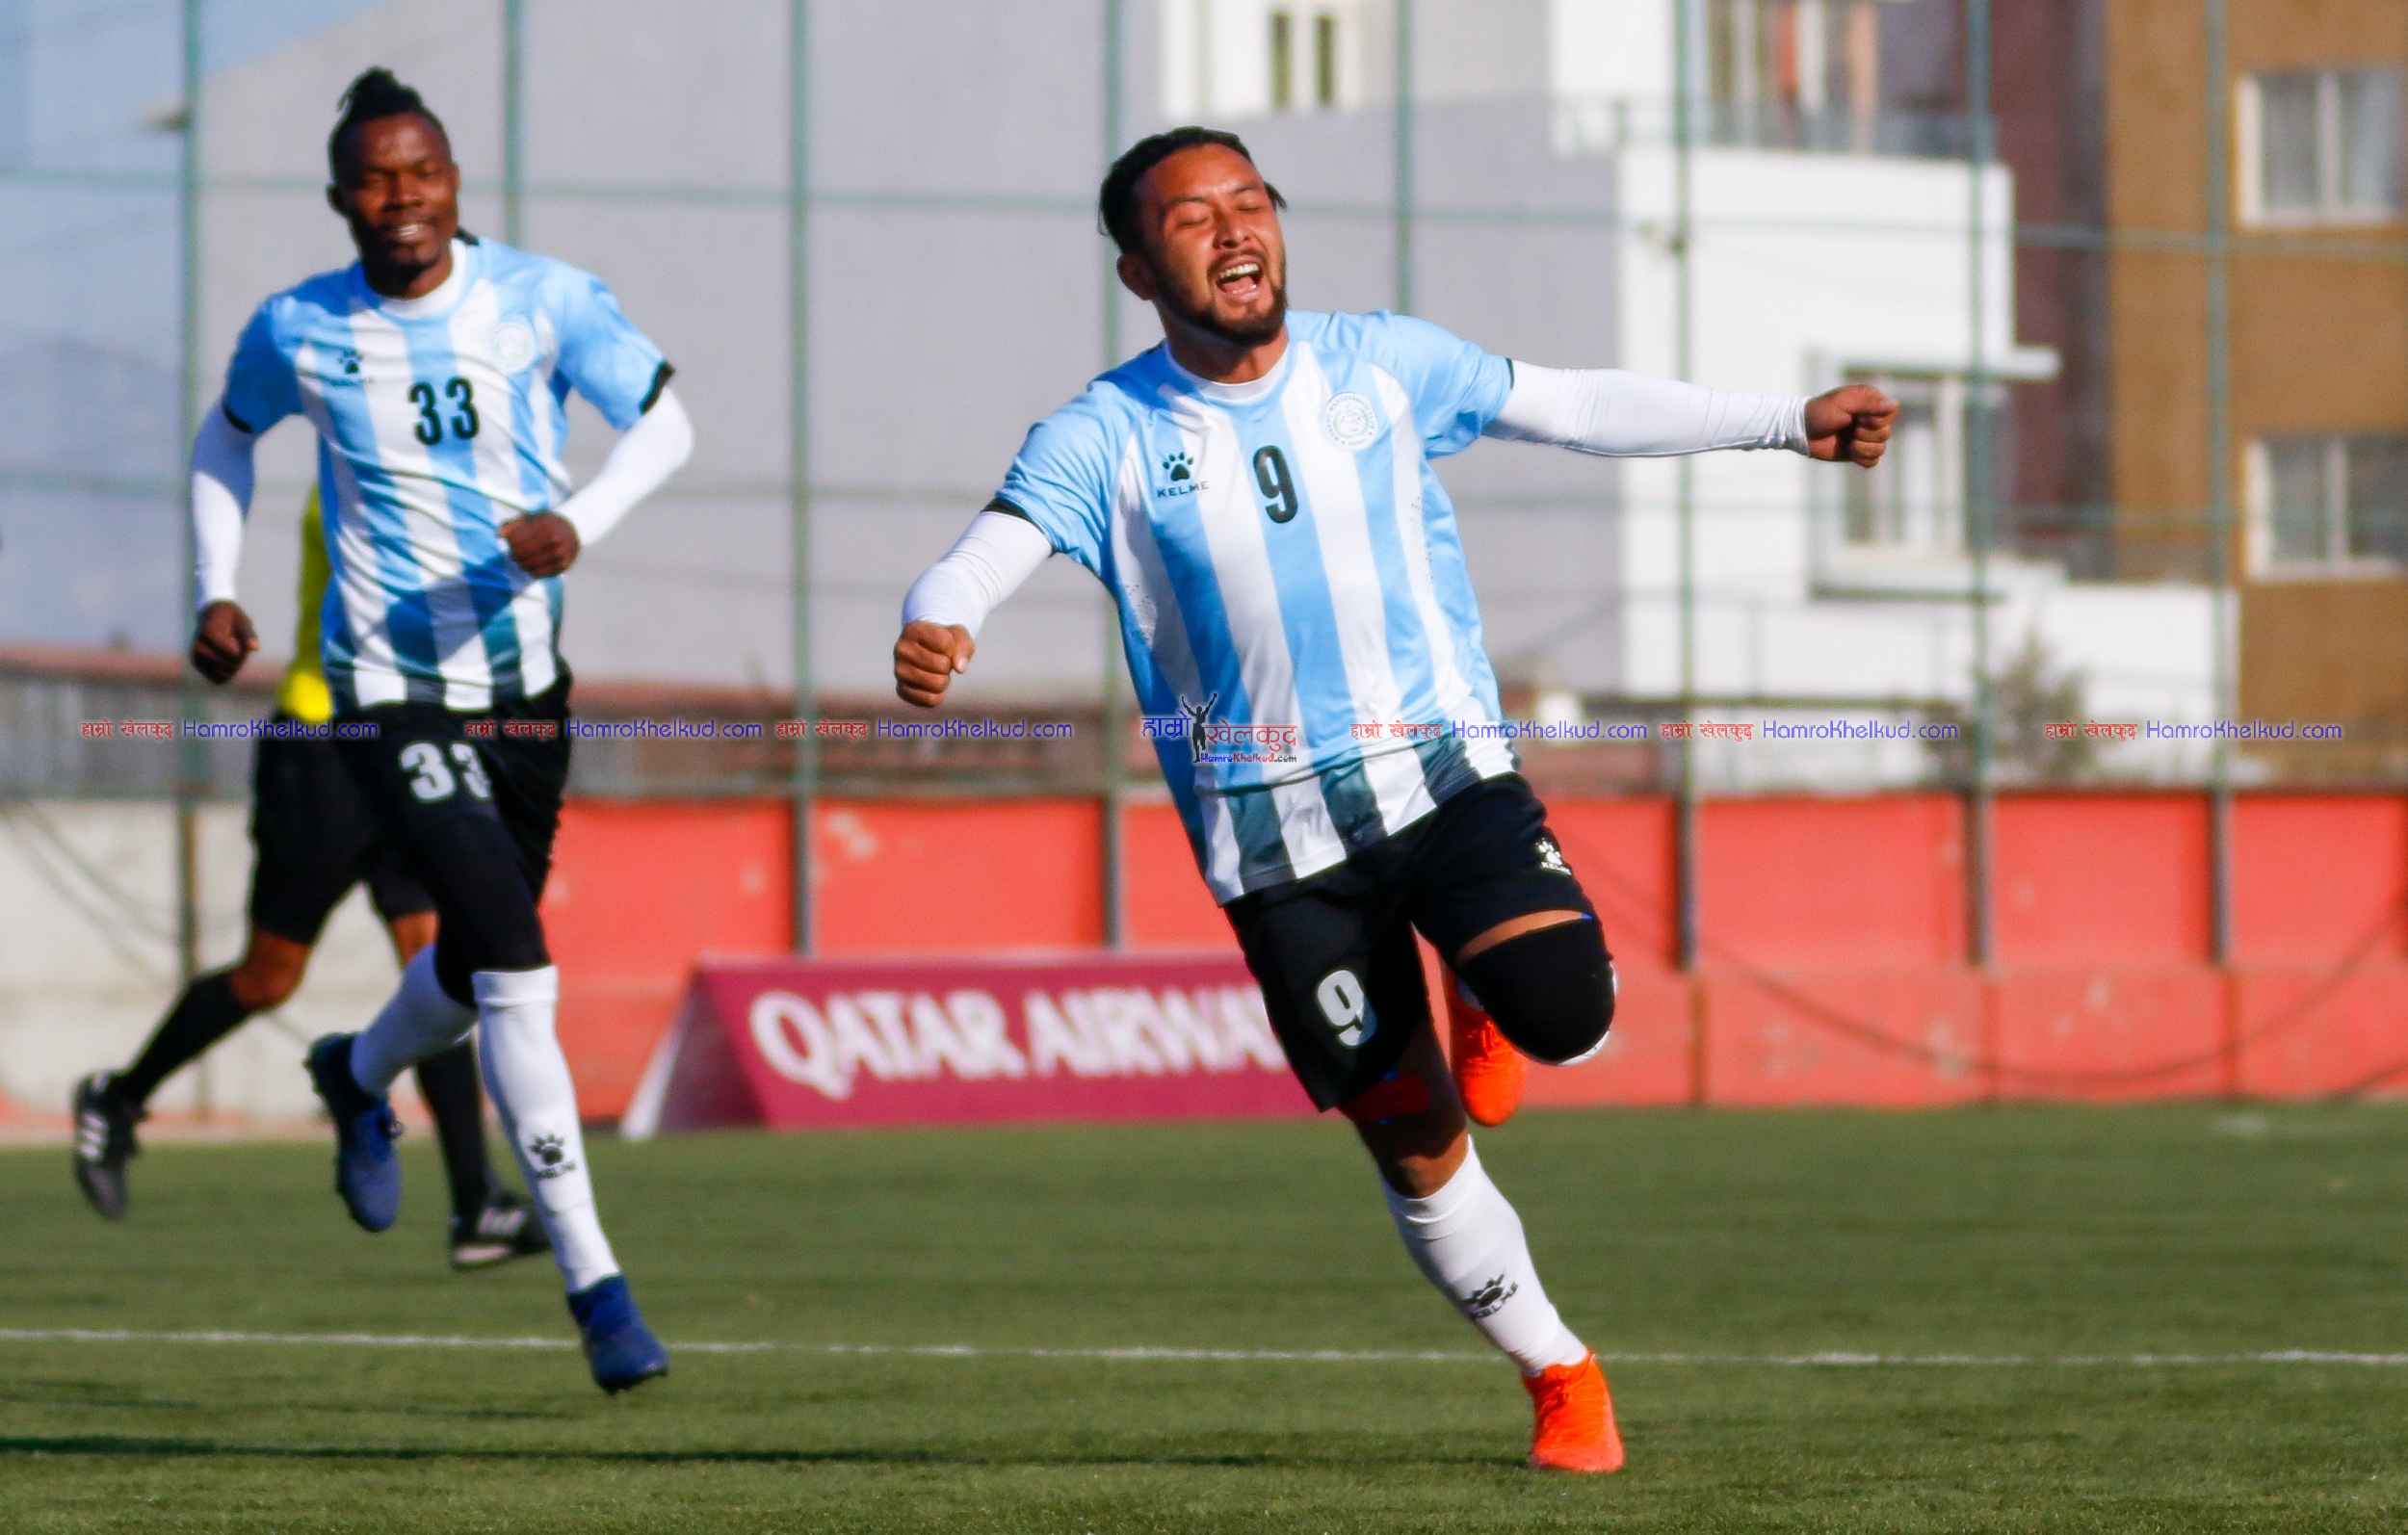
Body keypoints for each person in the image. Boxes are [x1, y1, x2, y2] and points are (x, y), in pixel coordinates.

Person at [893, 126, 1894, 1472]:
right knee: (1414, 1139)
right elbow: (980, 555)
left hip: (1441, 770)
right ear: (1138, 271)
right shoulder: (1104, 434)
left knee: (1568, 1019)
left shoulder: (1381, 365)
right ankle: (1562, 1372)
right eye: (1192, 217)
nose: (1234, 229)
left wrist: (1784, 422)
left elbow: (1576, 405)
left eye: (1251, 201)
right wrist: (939, 619)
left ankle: (1477, 980)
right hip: (1275, 843)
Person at [186, 67, 693, 1392]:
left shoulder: (541, 298)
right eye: (375, 178)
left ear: (455, 182)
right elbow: (224, 440)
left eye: (422, 172)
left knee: (470, 968)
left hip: (523, 691)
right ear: (340, 198)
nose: (401, 196)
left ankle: (356, 1074)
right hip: (383, 691)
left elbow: (665, 423)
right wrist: (213, 586)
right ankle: (596, 1286)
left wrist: (578, 521)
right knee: (517, 967)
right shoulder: (300, 327)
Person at [73, 491, 548, 1273]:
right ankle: (118, 1097)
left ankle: (476, 1205)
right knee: (269, 977)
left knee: (438, 964)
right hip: (326, 749)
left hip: (411, 743)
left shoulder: (439, 470)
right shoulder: (353, 479)